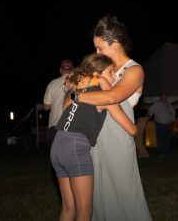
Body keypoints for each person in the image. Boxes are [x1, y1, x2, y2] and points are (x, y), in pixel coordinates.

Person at [75, 15, 152, 221]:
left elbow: (113, 96)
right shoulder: (102, 67)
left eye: (100, 48)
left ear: (115, 43)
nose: (97, 53)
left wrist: (79, 96)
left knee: (123, 194)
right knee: (98, 194)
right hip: (94, 135)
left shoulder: (135, 70)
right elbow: (74, 84)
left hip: (118, 139)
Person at [50, 53, 137, 221]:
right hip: (75, 147)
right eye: (111, 72)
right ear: (98, 74)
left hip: (58, 145)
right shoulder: (101, 96)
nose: (114, 76)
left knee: (69, 208)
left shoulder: (74, 94)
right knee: (85, 211)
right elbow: (131, 129)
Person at [44, 59, 74, 146]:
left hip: (56, 124)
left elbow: (47, 107)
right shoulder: (79, 82)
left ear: (60, 70)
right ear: (73, 70)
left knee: (57, 155)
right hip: (73, 124)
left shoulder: (52, 83)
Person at [148, 91, 176, 157]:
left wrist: (172, 120)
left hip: (168, 125)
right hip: (160, 125)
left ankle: (167, 153)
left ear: (166, 97)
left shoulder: (169, 104)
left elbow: (173, 113)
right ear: (160, 97)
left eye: (165, 96)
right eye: (163, 96)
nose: (164, 97)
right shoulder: (156, 104)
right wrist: (148, 116)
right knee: (161, 139)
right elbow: (150, 111)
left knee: (168, 139)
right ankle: (162, 153)